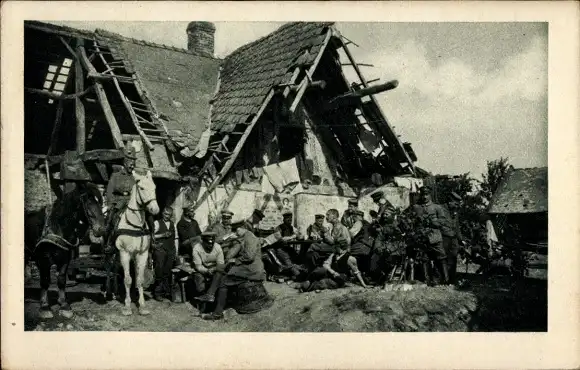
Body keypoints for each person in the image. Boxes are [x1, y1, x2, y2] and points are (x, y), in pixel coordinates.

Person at [201, 226, 273, 321]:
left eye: (236, 229)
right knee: (221, 272)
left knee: (223, 279)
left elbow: (249, 256)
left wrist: (235, 260)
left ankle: (216, 309)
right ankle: (212, 298)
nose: (235, 232)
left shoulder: (250, 237)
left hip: (252, 269)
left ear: (243, 227)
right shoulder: (246, 237)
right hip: (248, 267)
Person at [105, 145, 156, 251]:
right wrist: (111, 203)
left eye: (133, 163)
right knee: (110, 218)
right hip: (118, 202)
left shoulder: (136, 177)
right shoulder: (115, 176)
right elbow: (109, 192)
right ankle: (108, 242)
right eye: (129, 162)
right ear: (124, 162)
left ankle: (153, 239)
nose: (132, 165)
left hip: (133, 203)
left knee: (149, 216)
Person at [412, 185, 452, 285]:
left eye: (426, 194)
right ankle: (426, 279)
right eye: (423, 195)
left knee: (441, 257)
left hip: (435, 237)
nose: (424, 197)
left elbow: (443, 220)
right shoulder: (416, 207)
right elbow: (412, 221)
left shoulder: (437, 207)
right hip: (422, 237)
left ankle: (446, 279)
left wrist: (433, 222)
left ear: (430, 195)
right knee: (424, 258)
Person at [299, 238, 369, 292]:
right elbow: (325, 265)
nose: (335, 248)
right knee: (319, 270)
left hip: (339, 278)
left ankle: (306, 287)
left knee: (323, 283)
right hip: (331, 273)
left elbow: (356, 272)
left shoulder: (350, 259)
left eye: (337, 247)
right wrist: (332, 272)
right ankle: (308, 281)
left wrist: (364, 285)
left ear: (341, 247)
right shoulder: (334, 255)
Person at [190, 231, 225, 301]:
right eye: (208, 243)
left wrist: (214, 269)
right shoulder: (197, 248)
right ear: (203, 241)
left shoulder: (217, 247)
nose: (211, 245)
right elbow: (198, 266)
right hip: (203, 268)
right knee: (199, 282)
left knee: (219, 273)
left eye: (212, 243)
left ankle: (209, 295)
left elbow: (221, 264)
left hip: (215, 268)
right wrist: (206, 271)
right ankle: (201, 298)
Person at [152, 207, 177, 301]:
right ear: (162, 213)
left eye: (169, 215)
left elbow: (176, 238)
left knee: (167, 270)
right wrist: (162, 235)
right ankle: (157, 292)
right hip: (160, 249)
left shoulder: (172, 224)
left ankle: (165, 291)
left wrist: (176, 251)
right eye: (165, 214)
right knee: (159, 269)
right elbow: (151, 236)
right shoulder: (157, 223)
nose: (167, 216)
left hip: (170, 250)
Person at [271, 212, 302, 279]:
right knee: (288, 263)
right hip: (280, 249)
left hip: (288, 248)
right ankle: (298, 274)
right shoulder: (278, 228)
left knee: (298, 259)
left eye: (291, 219)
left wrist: (300, 234)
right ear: (284, 219)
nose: (290, 220)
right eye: (288, 219)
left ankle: (297, 272)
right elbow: (280, 239)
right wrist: (292, 237)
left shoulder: (291, 227)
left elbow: (298, 236)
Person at [443, 192, 464, 284]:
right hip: (444, 237)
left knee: (453, 258)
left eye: (458, 204)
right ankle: (443, 279)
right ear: (449, 201)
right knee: (443, 258)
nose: (457, 206)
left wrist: (461, 239)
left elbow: (457, 226)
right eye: (455, 203)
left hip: (454, 238)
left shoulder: (454, 211)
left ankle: (452, 279)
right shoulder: (440, 209)